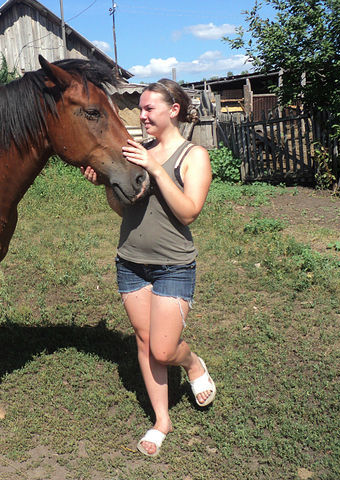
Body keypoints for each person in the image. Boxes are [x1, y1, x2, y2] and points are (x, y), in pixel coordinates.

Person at [81, 78, 215, 457]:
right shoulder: (137, 151)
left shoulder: (193, 156)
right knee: (144, 342)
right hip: (131, 263)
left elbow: (189, 212)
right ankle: (161, 420)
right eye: (140, 109)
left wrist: (156, 169)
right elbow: (123, 208)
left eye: (148, 109)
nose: (141, 115)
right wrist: (106, 184)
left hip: (173, 266)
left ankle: (191, 363)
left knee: (163, 349)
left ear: (173, 110)